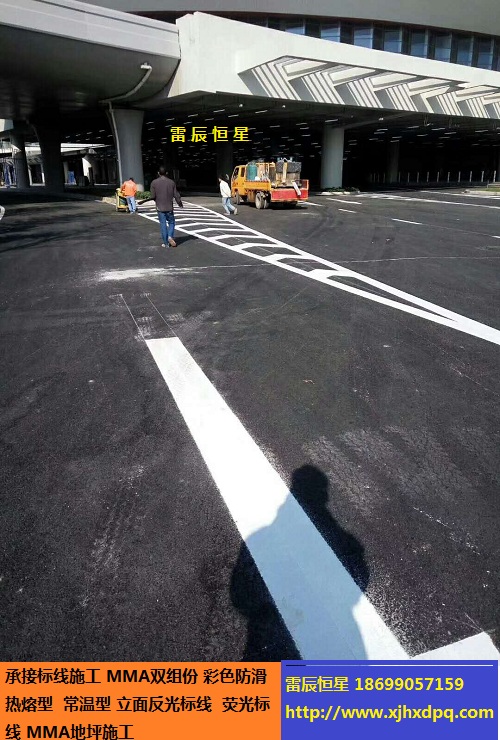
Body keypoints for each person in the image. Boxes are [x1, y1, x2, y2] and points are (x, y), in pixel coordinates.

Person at [150, 166, 183, 248]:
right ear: (167, 173)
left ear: (158, 173)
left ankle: (166, 243)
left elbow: (153, 196)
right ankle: (170, 236)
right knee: (172, 223)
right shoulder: (171, 182)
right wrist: (180, 203)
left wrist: (156, 200)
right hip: (169, 207)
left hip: (160, 207)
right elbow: (176, 195)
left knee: (163, 224)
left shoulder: (154, 182)